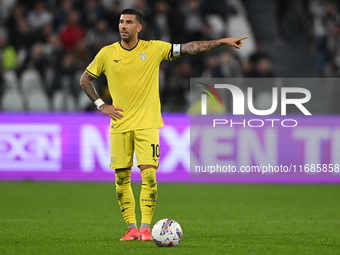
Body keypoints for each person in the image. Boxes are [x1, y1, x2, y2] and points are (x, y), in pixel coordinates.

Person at [79, 8, 247, 241]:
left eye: (129, 22)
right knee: (121, 178)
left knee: (149, 176)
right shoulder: (107, 53)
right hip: (120, 124)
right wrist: (101, 105)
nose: (123, 26)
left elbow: (188, 48)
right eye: (120, 22)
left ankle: (146, 229)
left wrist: (220, 41)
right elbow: (84, 79)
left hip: (148, 124)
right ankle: (131, 229)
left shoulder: (154, 48)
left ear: (139, 27)